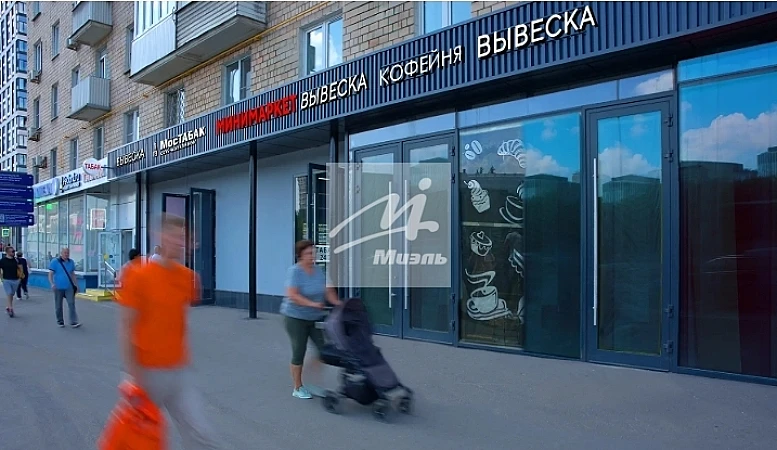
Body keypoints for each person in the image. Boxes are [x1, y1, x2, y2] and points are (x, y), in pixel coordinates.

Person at [116, 214, 221, 449]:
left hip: (178, 371)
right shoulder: (138, 275)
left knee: (200, 434)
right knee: (140, 440)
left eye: (183, 237)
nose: (179, 242)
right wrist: (132, 375)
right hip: (146, 373)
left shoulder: (188, 278)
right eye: (174, 236)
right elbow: (126, 325)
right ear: (160, 237)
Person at [281, 239, 342, 399]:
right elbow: (292, 295)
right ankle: (297, 387)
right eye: (308, 253)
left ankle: (312, 382)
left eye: (313, 253)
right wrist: (312, 304)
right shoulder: (295, 271)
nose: (312, 256)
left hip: (314, 318)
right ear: (300, 255)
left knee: (324, 351)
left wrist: (338, 303)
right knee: (299, 351)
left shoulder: (319, 271)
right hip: (295, 317)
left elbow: (328, 290)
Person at [48, 247, 80, 328]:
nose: (66, 254)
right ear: (61, 253)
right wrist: (52, 283)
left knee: (71, 303)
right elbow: (50, 274)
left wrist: (76, 285)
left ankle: (73, 322)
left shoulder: (71, 262)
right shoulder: (55, 262)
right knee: (58, 305)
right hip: (58, 287)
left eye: (68, 253)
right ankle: (60, 321)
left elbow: (72, 274)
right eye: (65, 253)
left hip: (69, 286)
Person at [0, 246, 21, 317]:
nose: (14, 252)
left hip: (16, 280)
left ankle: (8, 306)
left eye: (14, 251)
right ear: (7, 252)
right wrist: (1, 278)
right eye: (12, 251)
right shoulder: (2, 261)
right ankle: (10, 308)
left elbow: (20, 269)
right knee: (9, 293)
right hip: (6, 280)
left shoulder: (16, 260)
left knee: (11, 294)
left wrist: (20, 278)